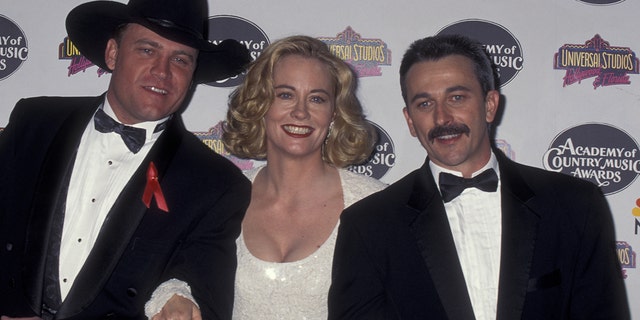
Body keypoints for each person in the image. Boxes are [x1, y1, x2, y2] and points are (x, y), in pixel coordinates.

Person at [328, 34, 630, 320]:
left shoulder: (574, 206)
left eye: (457, 98)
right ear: (409, 120)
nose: (442, 118)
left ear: (489, 105)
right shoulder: (369, 225)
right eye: (424, 104)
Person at [0, 0, 252, 319]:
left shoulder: (218, 186)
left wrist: (183, 300)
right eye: (147, 50)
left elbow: (201, 290)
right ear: (113, 53)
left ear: (192, 73)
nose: (163, 72)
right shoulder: (34, 122)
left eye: (181, 59)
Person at [144, 35, 387, 320]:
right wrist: (176, 296)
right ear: (261, 105)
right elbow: (183, 273)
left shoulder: (375, 205)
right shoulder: (223, 196)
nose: (300, 111)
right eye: (285, 94)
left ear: (333, 113)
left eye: (317, 99)